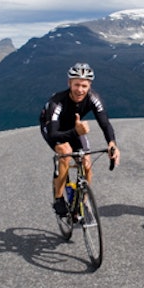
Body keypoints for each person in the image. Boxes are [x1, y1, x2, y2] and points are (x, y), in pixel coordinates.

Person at [40, 62, 120, 217]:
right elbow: (53, 134)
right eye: (76, 85)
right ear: (69, 83)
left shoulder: (93, 98)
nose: (80, 90)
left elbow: (105, 123)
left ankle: (81, 203)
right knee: (65, 152)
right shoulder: (57, 102)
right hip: (52, 128)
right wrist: (76, 132)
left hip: (74, 127)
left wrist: (112, 144)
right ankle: (59, 199)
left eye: (84, 85)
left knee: (86, 163)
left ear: (89, 85)